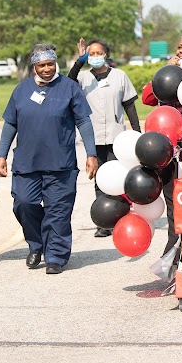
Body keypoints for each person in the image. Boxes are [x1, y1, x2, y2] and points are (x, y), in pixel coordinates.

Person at [0, 44, 99, 274]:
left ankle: (56, 256)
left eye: (50, 64)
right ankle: (36, 244)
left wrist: (91, 154)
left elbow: (83, 121)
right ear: (34, 66)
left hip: (60, 163)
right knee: (24, 204)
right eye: (42, 65)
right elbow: (10, 123)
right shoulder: (21, 90)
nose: (47, 69)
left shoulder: (69, 88)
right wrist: (1, 154)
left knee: (58, 211)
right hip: (27, 163)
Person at [142, 23, 182, 263]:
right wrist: (164, 72)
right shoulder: (169, 74)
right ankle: (173, 256)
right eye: (179, 47)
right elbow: (147, 98)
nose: (181, 51)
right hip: (168, 153)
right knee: (174, 206)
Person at [68, 37, 141, 237]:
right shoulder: (83, 78)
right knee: (99, 178)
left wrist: (137, 133)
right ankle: (104, 221)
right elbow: (67, 81)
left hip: (116, 135)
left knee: (118, 177)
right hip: (94, 136)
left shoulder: (119, 76)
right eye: (91, 54)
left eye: (98, 53)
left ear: (106, 54)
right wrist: (80, 60)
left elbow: (129, 106)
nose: (95, 56)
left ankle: (121, 216)